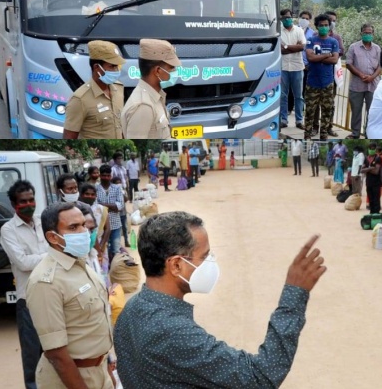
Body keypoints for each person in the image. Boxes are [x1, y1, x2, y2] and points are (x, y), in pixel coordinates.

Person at [113, 212, 326, 388]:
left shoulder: (132, 309)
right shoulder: (174, 332)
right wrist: (294, 294)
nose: (210, 263)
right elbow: (260, 376)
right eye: (204, 257)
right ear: (176, 265)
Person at [26, 202, 114, 389]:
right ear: (53, 237)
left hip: (99, 370)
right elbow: (56, 354)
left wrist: (107, 370)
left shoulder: (81, 264)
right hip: (71, 378)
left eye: (84, 225)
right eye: (73, 227)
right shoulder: (46, 281)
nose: (84, 232)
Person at [0, 180, 47, 389]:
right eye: (23, 202)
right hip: (28, 300)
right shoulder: (8, 230)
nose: (28, 204)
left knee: (57, 352)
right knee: (32, 356)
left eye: (31, 199)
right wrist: (52, 255)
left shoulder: (43, 222)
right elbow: (23, 262)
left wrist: (44, 256)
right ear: (13, 204)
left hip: (52, 296)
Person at [63, 40, 125, 139]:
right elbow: (69, 137)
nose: (116, 70)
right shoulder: (79, 99)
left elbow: (120, 126)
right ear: (97, 67)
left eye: (117, 66)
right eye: (112, 66)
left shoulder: (118, 88)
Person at [121, 39, 181, 139]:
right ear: (157, 71)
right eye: (172, 67)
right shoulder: (143, 106)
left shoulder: (155, 96)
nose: (175, 71)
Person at [304, 14, 339, 140]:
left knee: (326, 110)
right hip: (312, 82)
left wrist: (319, 58)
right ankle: (307, 134)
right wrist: (326, 55)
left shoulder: (333, 41)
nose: (324, 27)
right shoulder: (311, 41)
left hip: (327, 83)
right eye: (321, 25)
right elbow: (310, 58)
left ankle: (323, 134)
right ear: (317, 26)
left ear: (329, 26)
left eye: (326, 25)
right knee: (309, 111)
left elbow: (335, 60)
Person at [345, 23, 382, 139]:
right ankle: (355, 133)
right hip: (357, 85)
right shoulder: (353, 47)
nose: (368, 35)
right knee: (356, 110)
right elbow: (348, 64)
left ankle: (368, 134)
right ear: (361, 33)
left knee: (372, 112)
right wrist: (361, 75)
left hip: (373, 85)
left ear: (373, 34)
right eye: (365, 33)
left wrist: (373, 77)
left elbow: (380, 66)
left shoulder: (377, 48)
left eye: (370, 33)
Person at [279, 8, 307, 129]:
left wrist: (286, 46)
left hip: (297, 67)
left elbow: (302, 47)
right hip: (283, 67)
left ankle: (299, 120)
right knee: (283, 95)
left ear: (292, 17)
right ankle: (283, 120)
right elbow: (279, 51)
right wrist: (293, 47)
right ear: (281, 19)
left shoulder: (299, 30)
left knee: (299, 96)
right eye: (285, 17)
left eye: (289, 17)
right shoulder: (278, 31)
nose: (287, 19)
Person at [96, 165, 125, 262]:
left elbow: (120, 206)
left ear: (111, 176)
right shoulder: (95, 189)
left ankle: (115, 271)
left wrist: (102, 205)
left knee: (116, 250)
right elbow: (95, 207)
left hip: (116, 224)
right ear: (100, 176)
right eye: (104, 175)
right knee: (103, 251)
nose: (106, 178)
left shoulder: (116, 188)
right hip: (101, 226)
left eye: (108, 175)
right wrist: (112, 206)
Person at [324, 10, 344, 138]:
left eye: (334, 21)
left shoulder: (337, 38)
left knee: (330, 104)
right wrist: (330, 54)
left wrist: (323, 55)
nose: (332, 23)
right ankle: (315, 127)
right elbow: (310, 54)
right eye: (330, 21)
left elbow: (340, 52)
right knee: (315, 104)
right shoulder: (315, 35)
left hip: (332, 75)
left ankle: (328, 127)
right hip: (317, 75)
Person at [111, 153, 129, 247]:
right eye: (118, 159)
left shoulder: (123, 168)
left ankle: (126, 240)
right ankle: (117, 243)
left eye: (121, 158)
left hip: (123, 191)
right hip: (116, 196)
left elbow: (125, 179)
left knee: (124, 223)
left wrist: (126, 191)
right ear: (114, 160)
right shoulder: (113, 169)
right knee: (117, 224)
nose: (120, 160)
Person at [361, 148, 382, 214]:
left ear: (375, 150)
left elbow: (376, 171)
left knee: (376, 199)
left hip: (376, 183)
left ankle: (377, 213)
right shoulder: (366, 158)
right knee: (370, 199)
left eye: (372, 148)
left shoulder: (378, 158)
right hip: (369, 182)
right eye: (369, 148)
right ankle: (372, 213)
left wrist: (367, 169)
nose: (371, 150)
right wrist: (371, 168)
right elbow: (362, 170)